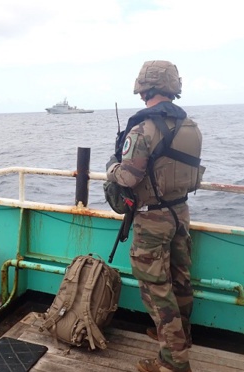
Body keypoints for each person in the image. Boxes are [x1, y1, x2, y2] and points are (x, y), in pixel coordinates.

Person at [105, 60, 203, 372]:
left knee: (156, 290)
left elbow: (129, 177)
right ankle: (179, 338)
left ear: (144, 88)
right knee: (180, 280)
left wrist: (111, 167)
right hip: (179, 212)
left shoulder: (143, 129)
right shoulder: (190, 126)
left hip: (152, 220)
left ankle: (173, 363)